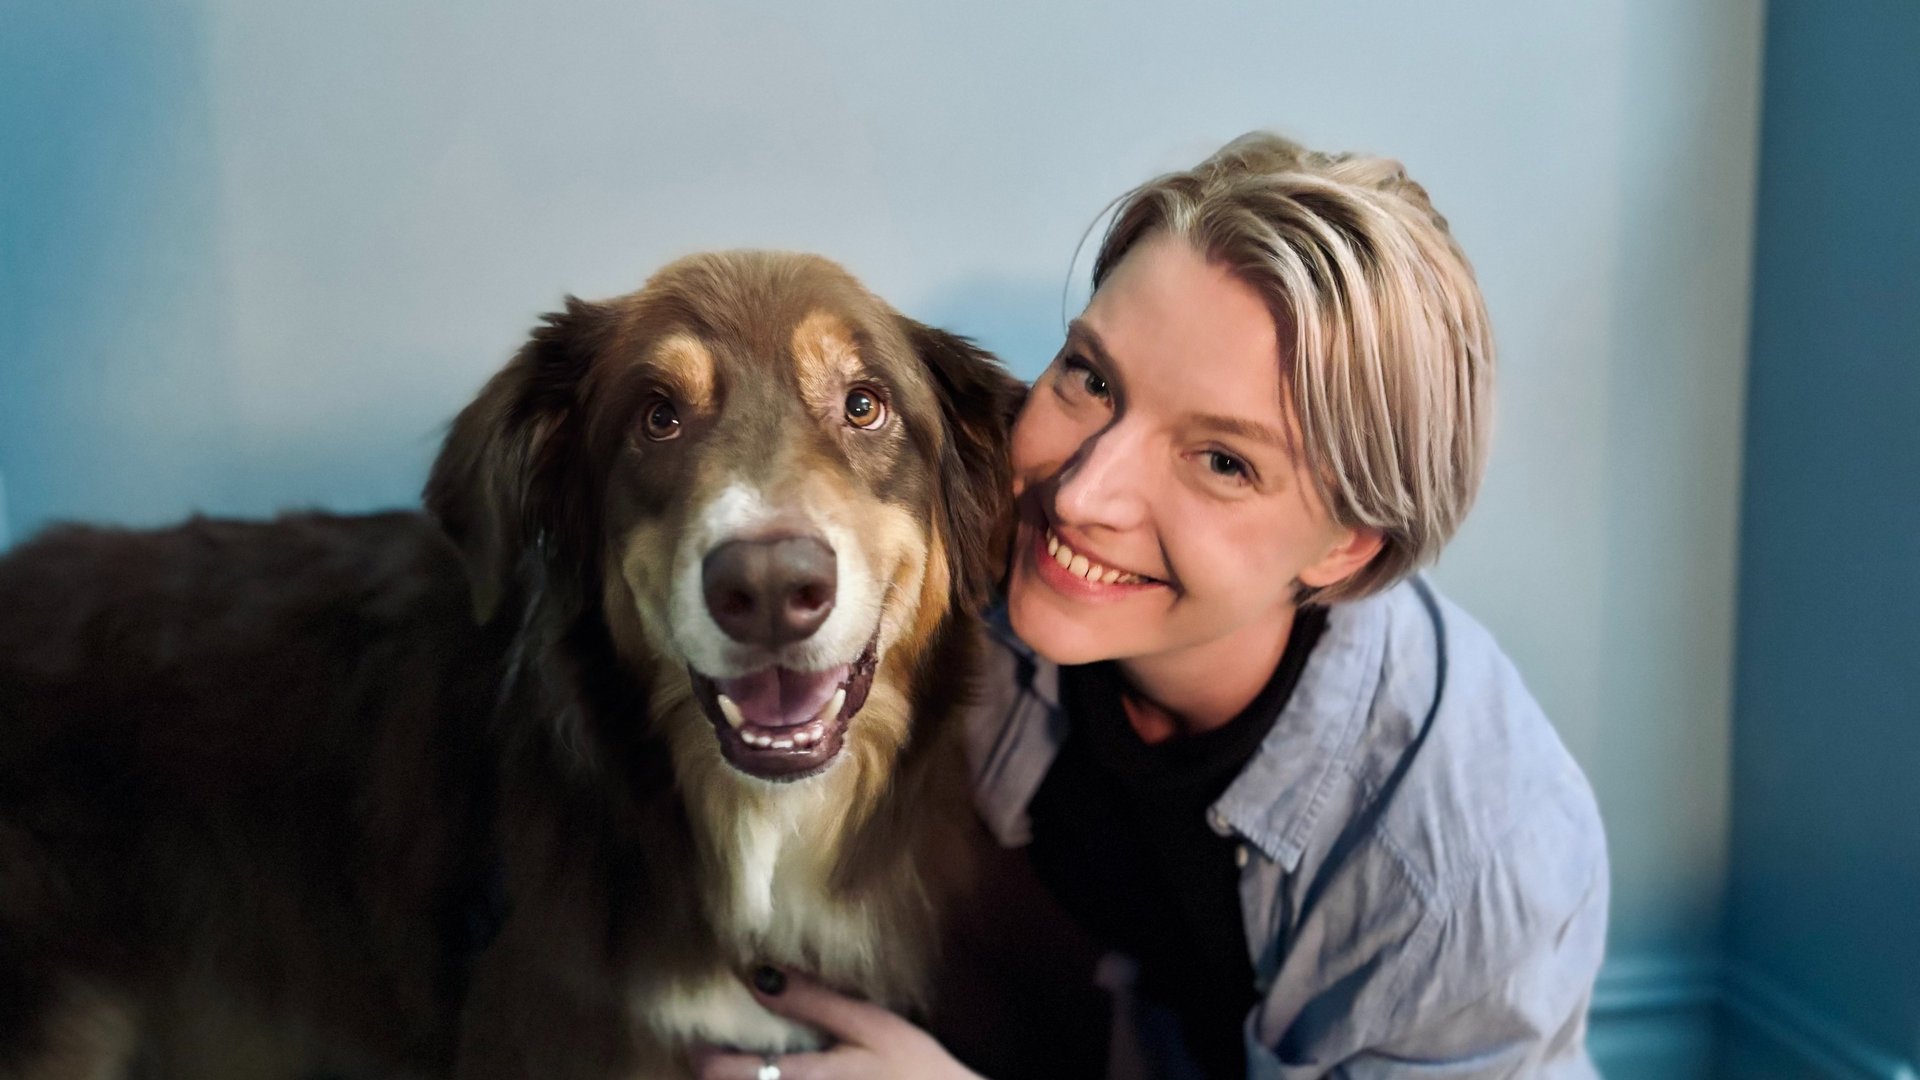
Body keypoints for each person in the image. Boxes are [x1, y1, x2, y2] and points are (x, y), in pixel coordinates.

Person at [696, 133, 1609, 1079]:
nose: (1081, 496)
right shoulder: (938, 535)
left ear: (1346, 546)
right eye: (1091, 379)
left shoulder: (1465, 867)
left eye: (1222, 461)